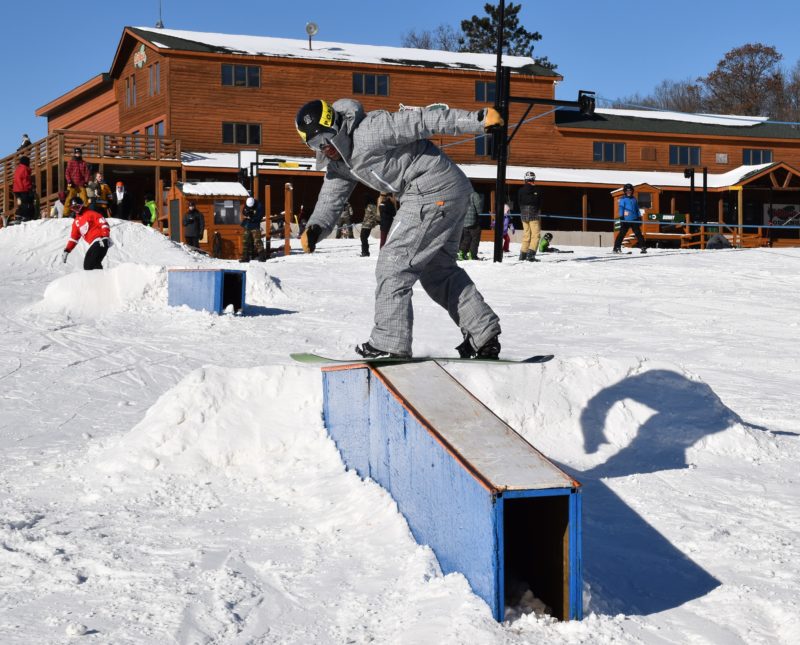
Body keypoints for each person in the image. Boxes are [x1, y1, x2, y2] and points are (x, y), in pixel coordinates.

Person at [296, 98, 503, 359]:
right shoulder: (339, 164)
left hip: (430, 188)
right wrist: (316, 228)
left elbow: (424, 120)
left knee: (393, 265)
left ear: (336, 125)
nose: (324, 147)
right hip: (447, 190)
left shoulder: (371, 130)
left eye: (326, 137)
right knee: (437, 271)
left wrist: (478, 119)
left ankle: (389, 343)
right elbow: (331, 197)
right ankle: (483, 335)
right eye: (315, 144)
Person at [61, 197, 112, 270]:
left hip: (101, 240)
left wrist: (105, 236)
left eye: (78, 207)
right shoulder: (76, 222)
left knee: (89, 265)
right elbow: (74, 238)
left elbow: (103, 223)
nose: (76, 209)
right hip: (94, 243)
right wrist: (67, 250)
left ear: (82, 205)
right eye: (74, 208)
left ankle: (99, 278)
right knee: (92, 265)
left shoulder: (90, 213)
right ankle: (101, 279)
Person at [613, 183, 647, 254]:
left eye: (630, 191)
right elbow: (621, 208)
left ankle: (643, 247)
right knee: (622, 233)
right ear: (625, 191)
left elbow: (637, 209)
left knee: (638, 233)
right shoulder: (623, 199)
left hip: (634, 219)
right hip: (626, 219)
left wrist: (639, 217)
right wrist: (621, 217)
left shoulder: (634, 199)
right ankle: (616, 248)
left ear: (632, 191)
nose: (629, 192)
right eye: (627, 191)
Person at [517, 170, 542, 262]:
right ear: (533, 179)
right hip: (534, 214)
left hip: (523, 214)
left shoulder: (520, 190)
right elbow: (539, 202)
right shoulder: (537, 190)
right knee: (535, 235)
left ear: (525, 179)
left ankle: (522, 254)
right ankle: (531, 255)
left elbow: (519, 202)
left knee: (526, 234)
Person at [240, 196, 267, 262]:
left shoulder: (259, 206)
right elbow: (243, 211)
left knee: (257, 241)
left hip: (255, 226)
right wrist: (246, 213)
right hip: (247, 225)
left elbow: (259, 217)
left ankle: (262, 257)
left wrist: (252, 217)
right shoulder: (247, 203)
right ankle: (245, 257)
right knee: (245, 241)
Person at [457, 190, 482, 261]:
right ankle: (472, 255)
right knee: (475, 239)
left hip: (463, 221)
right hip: (473, 221)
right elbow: (478, 207)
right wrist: (480, 214)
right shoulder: (474, 194)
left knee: (465, 239)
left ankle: (461, 254)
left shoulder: (462, 194)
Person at [13, 156, 34, 222]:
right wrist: (26, 188)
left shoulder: (18, 168)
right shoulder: (24, 169)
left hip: (17, 190)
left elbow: (18, 179)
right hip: (23, 190)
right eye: (28, 162)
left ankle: (19, 215)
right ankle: (25, 216)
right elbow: (23, 180)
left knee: (21, 203)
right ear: (26, 162)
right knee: (26, 203)